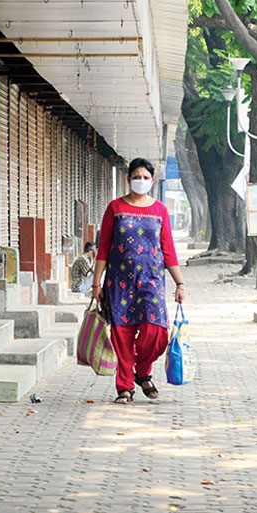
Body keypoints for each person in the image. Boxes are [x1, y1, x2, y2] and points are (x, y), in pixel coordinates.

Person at [91, 158, 186, 404]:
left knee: (156, 333)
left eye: (145, 177)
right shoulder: (115, 208)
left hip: (151, 281)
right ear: (128, 179)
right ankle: (124, 387)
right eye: (137, 176)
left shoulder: (160, 210)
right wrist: (96, 283)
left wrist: (180, 283)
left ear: (152, 181)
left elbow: (168, 250)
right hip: (119, 281)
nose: (141, 181)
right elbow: (103, 249)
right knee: (122, 334)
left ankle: (142, 372)